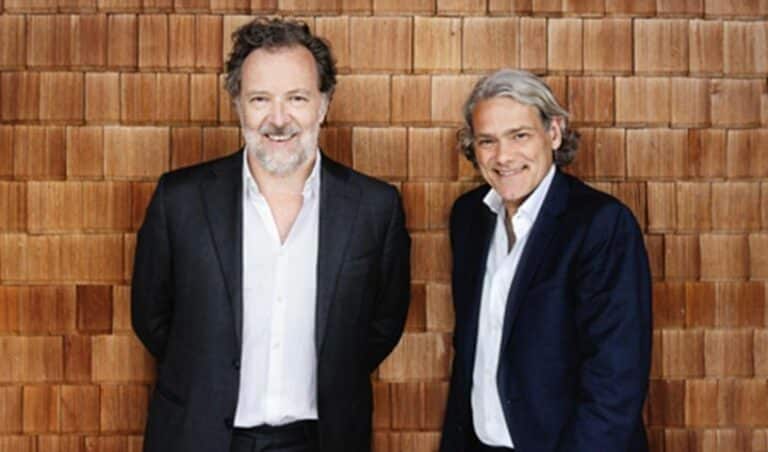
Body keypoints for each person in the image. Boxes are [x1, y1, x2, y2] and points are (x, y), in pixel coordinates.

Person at [131, 18, 411, 452]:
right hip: (197, 437)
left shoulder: (375, 208)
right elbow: (152, 319)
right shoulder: (180, 200)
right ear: (238, 104)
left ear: (323, 104)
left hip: (321, 441)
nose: (278, 119)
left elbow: (382, 325)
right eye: (260, 99)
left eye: (297, 98)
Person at [440, 69, 652, 452]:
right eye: (487, 141)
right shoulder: (469, 217)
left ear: (553, 133)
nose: (503, 156)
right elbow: (473, 354)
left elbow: (615, 380)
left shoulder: (601, 225)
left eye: (519, 136)